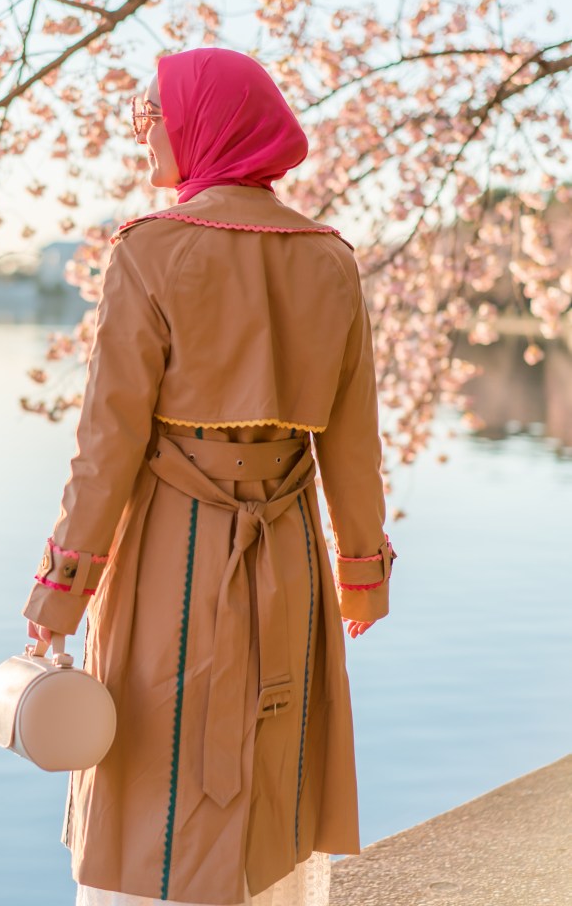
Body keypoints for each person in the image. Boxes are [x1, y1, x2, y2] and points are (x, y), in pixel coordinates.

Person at [22, 47, 397, 906]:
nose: (140, 129)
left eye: (151, 112)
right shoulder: (330, 257)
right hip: (291, 552)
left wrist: (58, 593)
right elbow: (352, 441)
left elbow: (104, 447)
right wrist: (362, 575)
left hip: (170, 555)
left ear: (206, 122)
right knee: (272, 756)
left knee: (159, 763)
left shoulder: (148, 252)